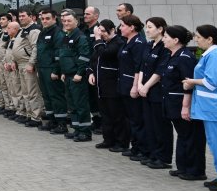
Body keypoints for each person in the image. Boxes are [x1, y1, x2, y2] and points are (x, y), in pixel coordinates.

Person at [184, 24, 217, 191]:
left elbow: (212, 82)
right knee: (215, 144)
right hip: (211, 108)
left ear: (209, 39)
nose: (196, 40)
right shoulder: (211, 55)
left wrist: (192, 82)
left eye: (199, 37)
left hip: (215, 108)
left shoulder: (215, 56)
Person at [160, 25, 205, 181]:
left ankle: (195, 171)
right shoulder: (172, 55)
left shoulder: (185, 57)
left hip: (182, 103)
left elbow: (188, 84)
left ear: (176, 40)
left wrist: (186, 107)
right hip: (172, 102)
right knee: (183, 135)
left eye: (166, 37)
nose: (163, 39)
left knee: (191, 136)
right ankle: (183, 167)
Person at [137, 17, 172, 169]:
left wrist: (146, 86)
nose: (147, 30)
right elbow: (142, 66)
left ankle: (163, 157)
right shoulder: (149, 45)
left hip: (157, 91)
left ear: (160, 29)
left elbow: (160, 71)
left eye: (150, 27)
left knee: (160, 125)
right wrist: (139, 84)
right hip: (145, 90)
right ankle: (153, 154)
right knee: (149, 124)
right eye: (146, 27)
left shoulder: (165, 47)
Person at [89, 20, 128, 150]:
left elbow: (105, 54)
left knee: (116, 115)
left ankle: (121, 142)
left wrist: (97, 39)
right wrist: (91, 72)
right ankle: (108, 140)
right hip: (101, 85)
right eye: (99, 31)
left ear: (112, 30)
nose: (101, 34)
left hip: (112, 85)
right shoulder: (102, 43)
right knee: (105, 115)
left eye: (103, 31)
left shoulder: (118, 42)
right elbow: (94, 59)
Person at [57, 10, 92, 142]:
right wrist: (64, 72)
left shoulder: (80, 37)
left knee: (80, 104)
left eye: (69, 21)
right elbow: (64, 55)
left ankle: (85, 132)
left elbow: (84, 57)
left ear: (76, 21)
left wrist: (79, 73)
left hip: (77, 76)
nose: (66, 23)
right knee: (72, 105)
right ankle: (77, 129)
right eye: (64, 21)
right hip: (68, 75)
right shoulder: (67, 36)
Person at [118, 15, 149, 160]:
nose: (120, 28)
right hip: (124, 83)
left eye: (123, 25)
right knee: (130, 118)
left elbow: (138, 67)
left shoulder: (139, 43)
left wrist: (135, 86)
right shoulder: (127, 42)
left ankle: (142, 149)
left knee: (137, 119)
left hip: (132, 84)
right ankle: (135, 146)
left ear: (132, 27)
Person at [35, 9, 63, 129]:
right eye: (42, 19)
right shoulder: (42, 32)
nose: (44, 21)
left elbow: (59, 53)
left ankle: (61, 123)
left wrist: (56, 71)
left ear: (54, 18)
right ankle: (52, 121)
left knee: (55, 96)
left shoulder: (57, 32)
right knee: (46, 96)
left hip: (51, 69)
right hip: (42, 68)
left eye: (47, 18)